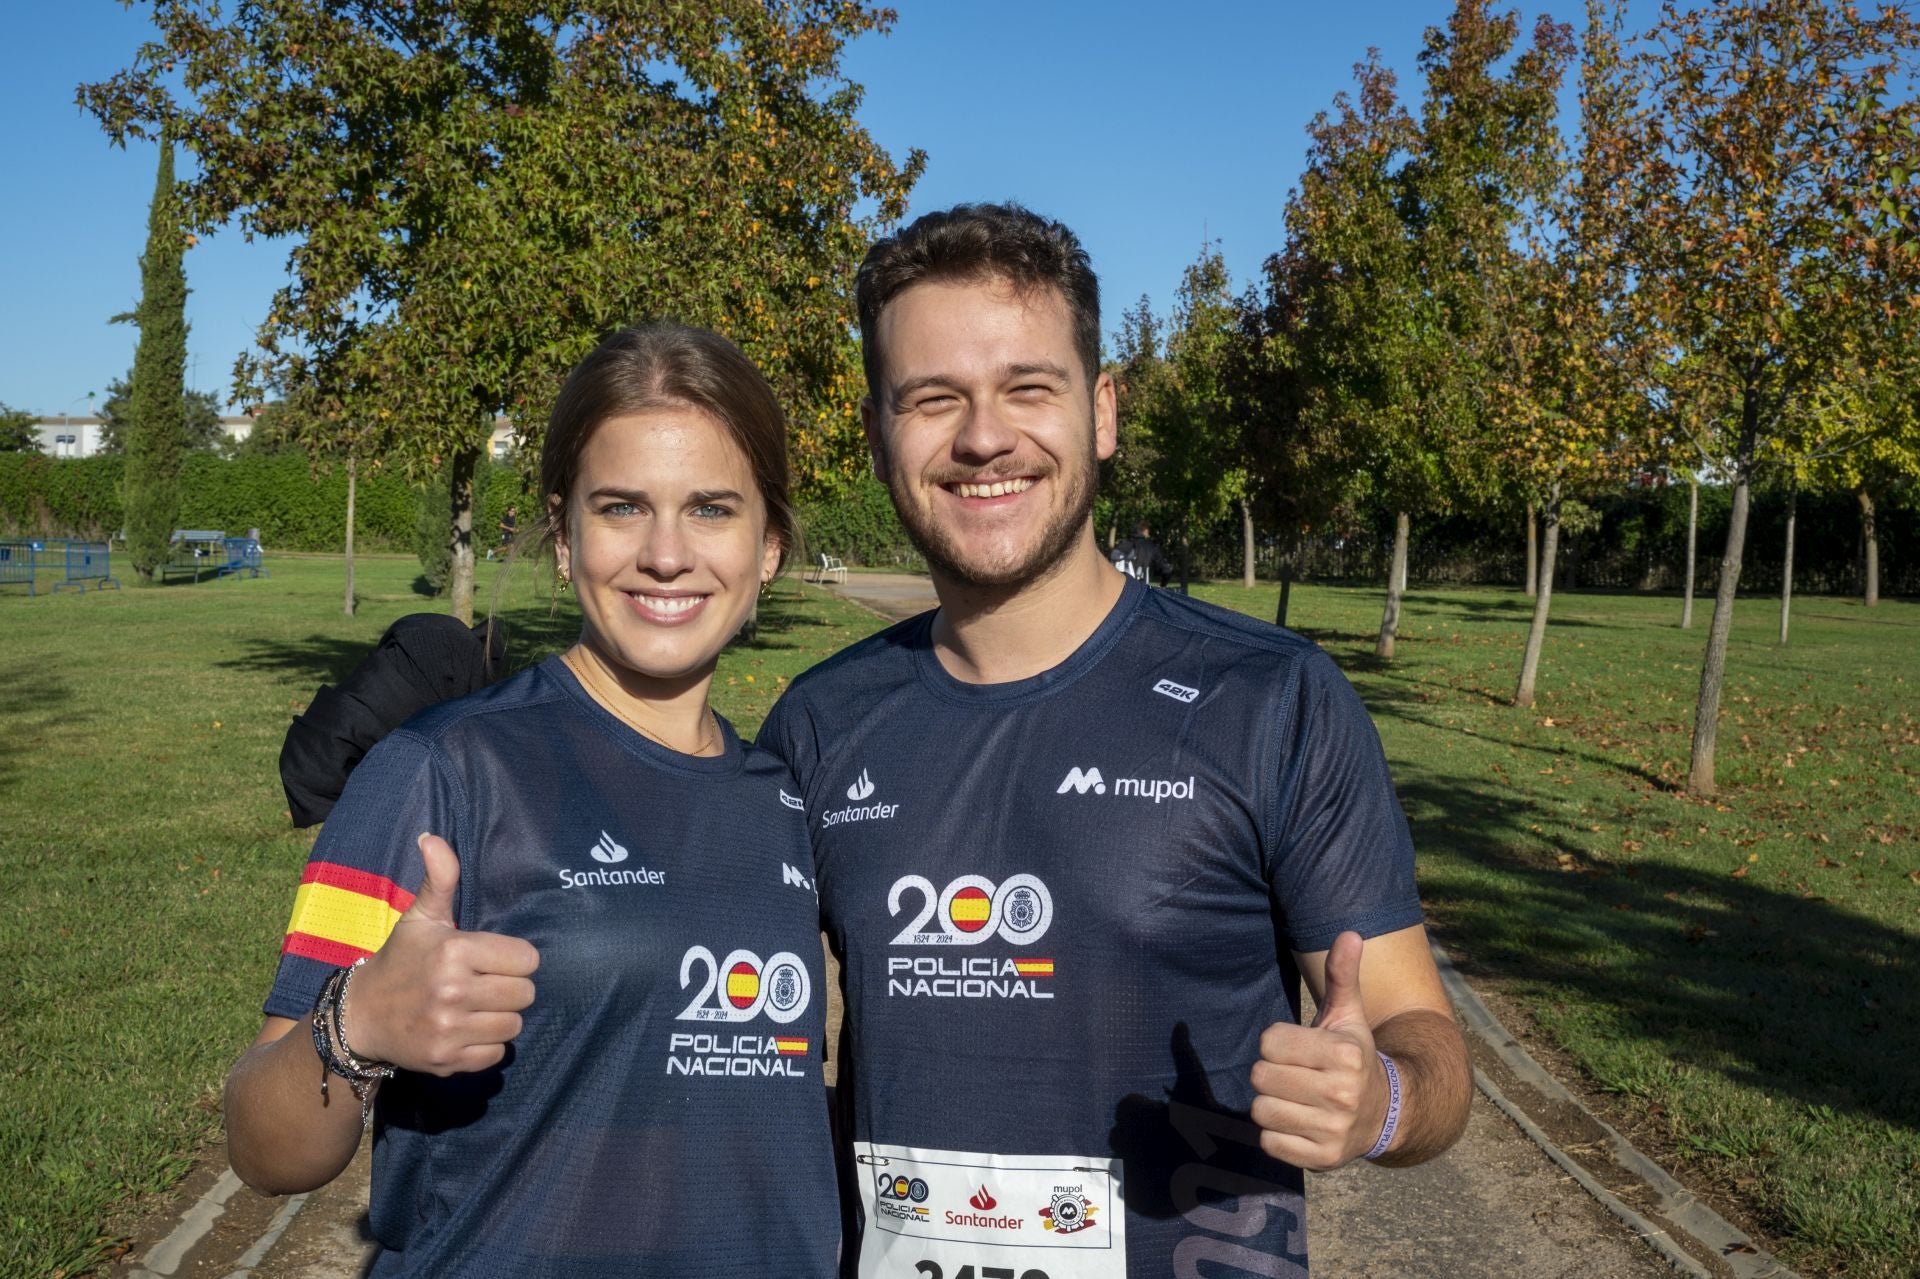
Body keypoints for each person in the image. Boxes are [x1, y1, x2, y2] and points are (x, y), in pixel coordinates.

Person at [754, 203, 1473, 1279]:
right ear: (876, 436)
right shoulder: (819, 721)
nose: (983, 437)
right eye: (934, 398)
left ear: (1101, 412)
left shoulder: (1270, 699)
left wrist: (1381, 1099)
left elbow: (1427, 1038)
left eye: (1027, 389)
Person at [224, 324, 839, 1278]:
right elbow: (264, 1149)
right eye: (622, 506)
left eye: (712, 508)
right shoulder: (440, 768)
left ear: (769, 547)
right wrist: (358, 1025)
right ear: (564, 537)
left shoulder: (786, 796)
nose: (666, 554)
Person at [1109, 519, 1172, 585]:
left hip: (1119, 589)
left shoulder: (1122, 545)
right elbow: (1166, 569)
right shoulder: (1149, 547)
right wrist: (1163, 584)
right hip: (1141, 590)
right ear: (1145, 530)